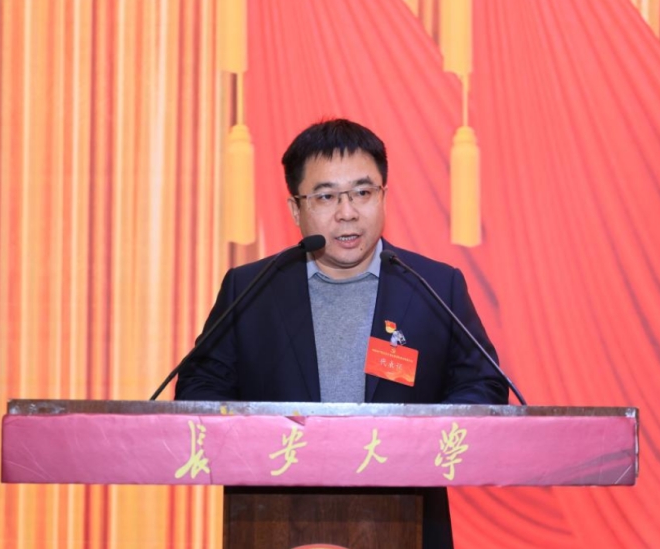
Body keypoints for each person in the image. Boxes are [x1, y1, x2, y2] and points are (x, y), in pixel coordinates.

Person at [175, 118, 509, 548]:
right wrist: (261, 437)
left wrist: (420, 439)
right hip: (273, 519)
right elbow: (199, 390)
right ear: (296, 209)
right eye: (326, 196)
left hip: (406, 516)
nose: (347, 212)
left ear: (383, 196)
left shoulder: (434, 286)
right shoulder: (251, 288)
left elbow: (483, 385)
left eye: (362, 193)